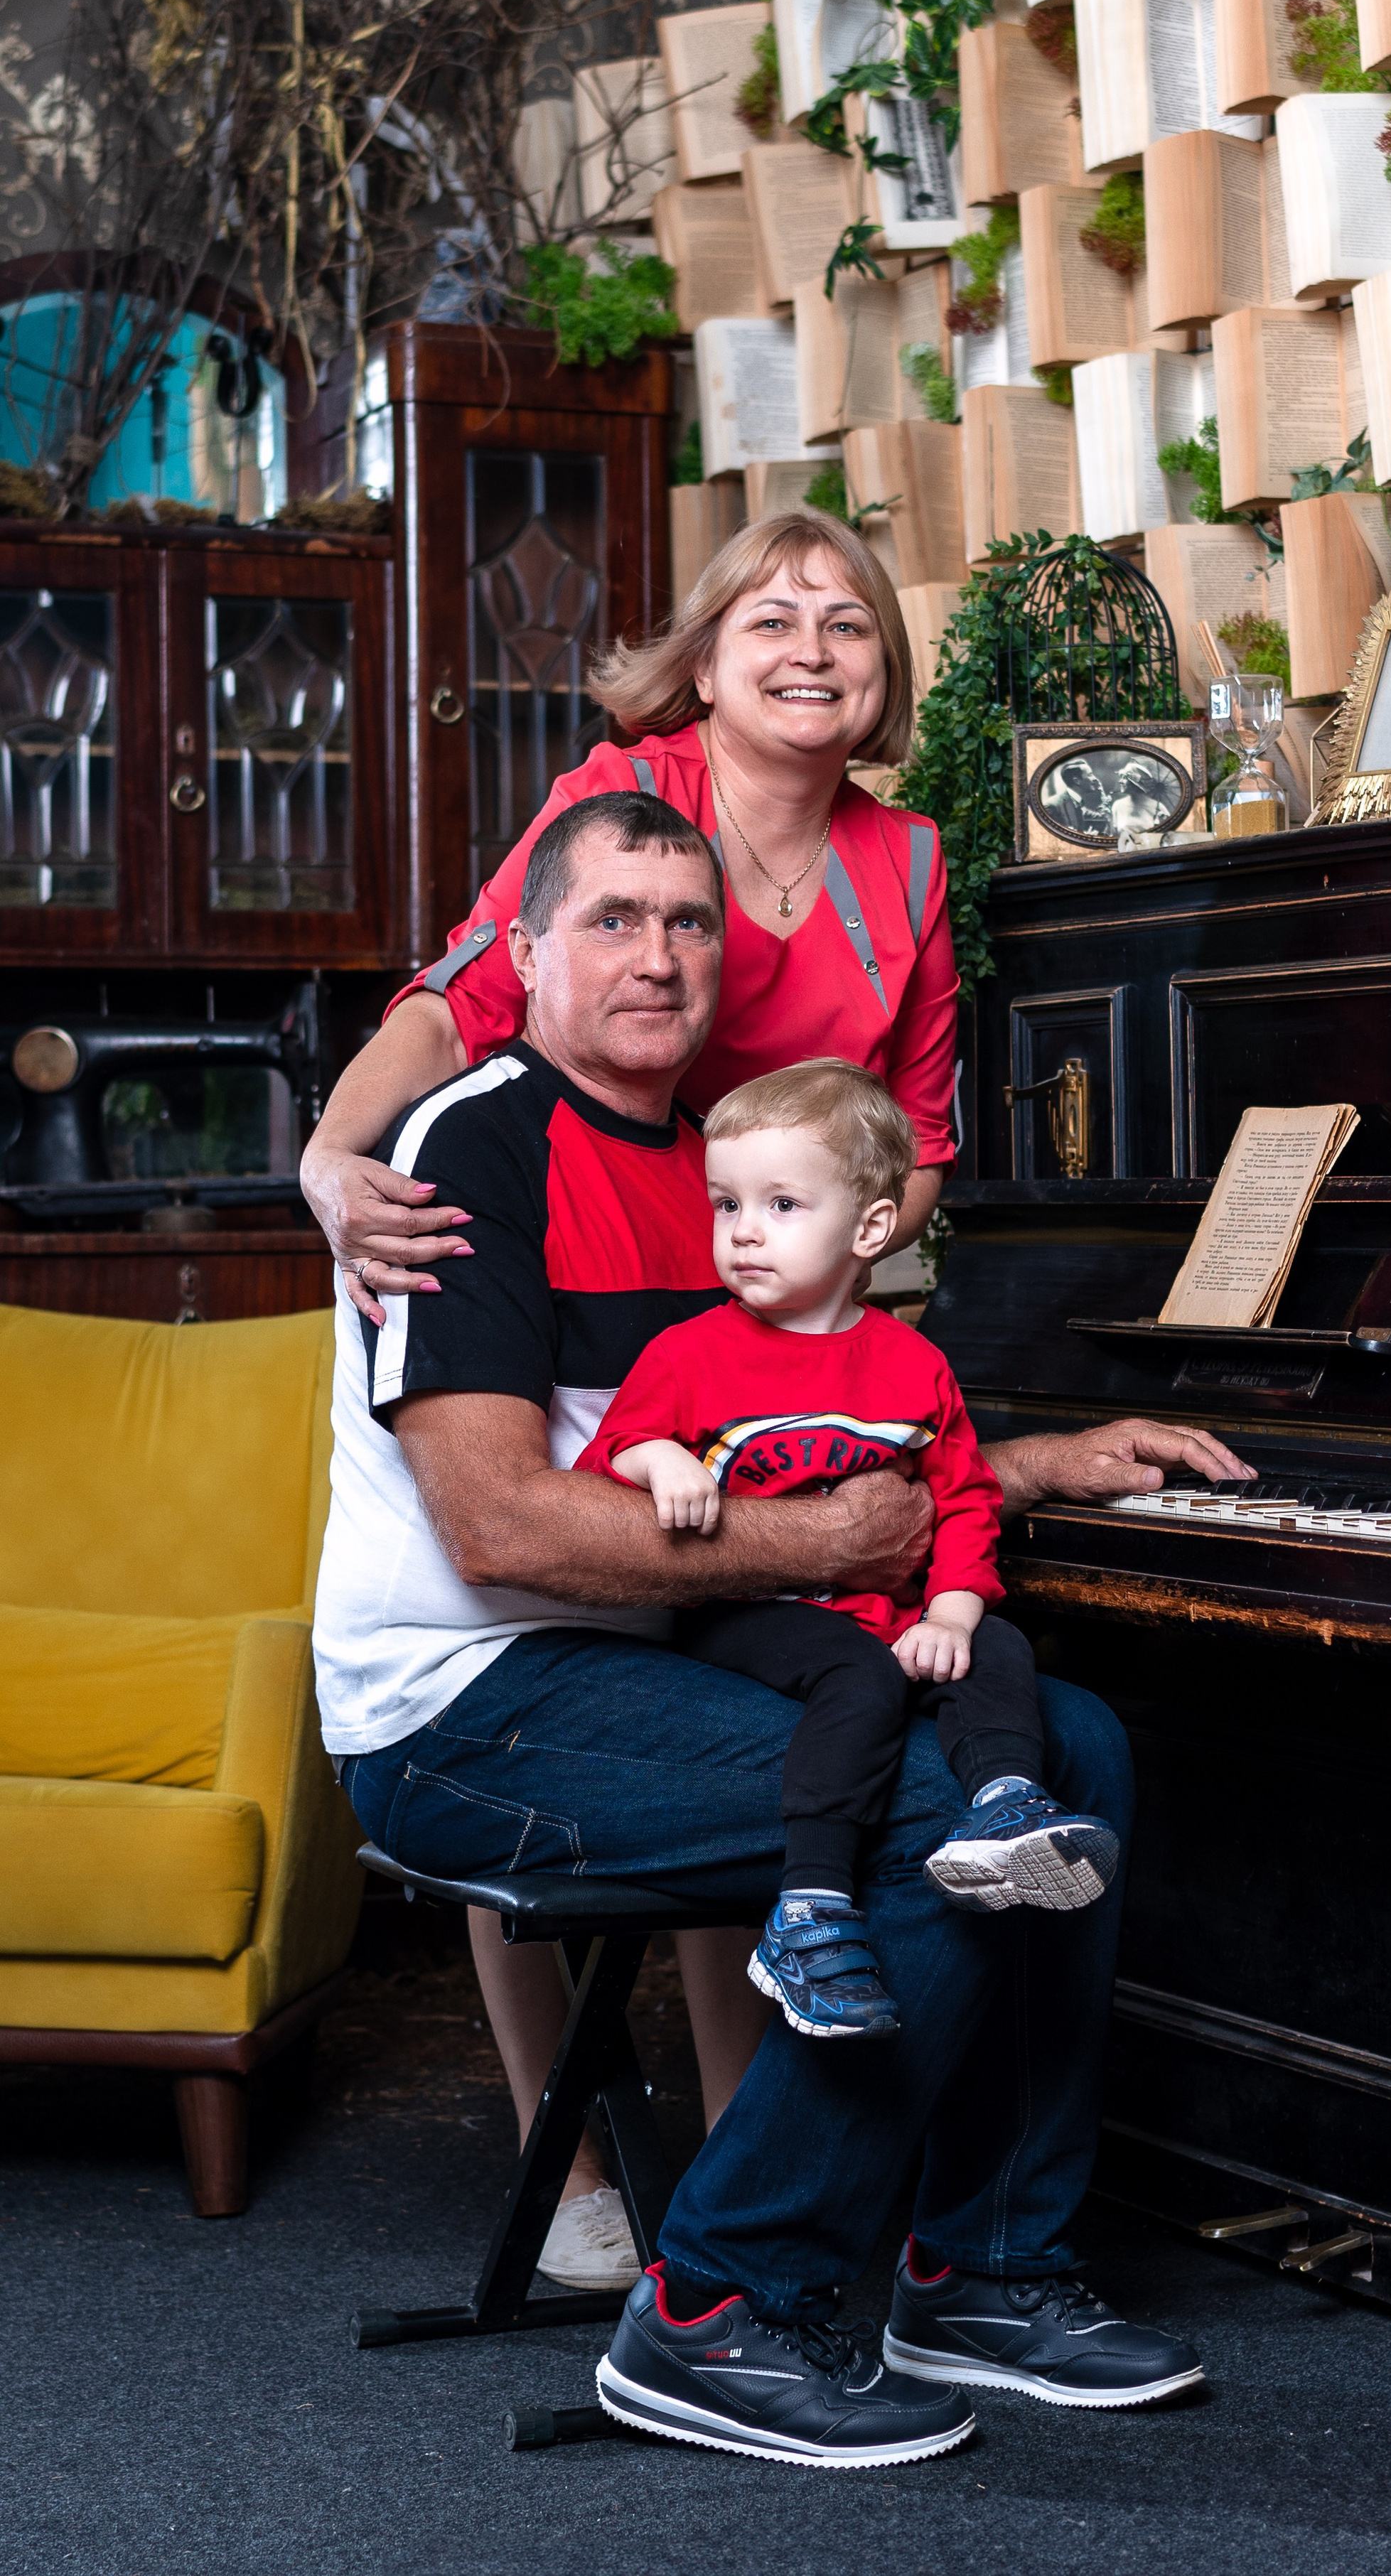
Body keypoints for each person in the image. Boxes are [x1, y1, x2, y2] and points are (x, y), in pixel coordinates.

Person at [316, 789, 1254, 2464]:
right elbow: (498, 1519)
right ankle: (714, 2303)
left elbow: (815, 1429)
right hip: (463, 1708)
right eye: (611, 919)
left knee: (1069, 1748)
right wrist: (823, 1537)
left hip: (652, 1655)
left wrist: (1020, 1467)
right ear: (523, 955)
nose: (659, 955)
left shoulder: (727, 1164)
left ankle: (979, 2263)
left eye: (688, 923)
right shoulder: (470, 1144)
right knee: (922, 1801)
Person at [301, 512, 960, 2283]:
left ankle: (752, 2187)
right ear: (706, 645)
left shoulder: (903, 861)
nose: (811, 647)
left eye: (847, 622)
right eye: (771, 616)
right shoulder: (627, 795)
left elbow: (913, 1133)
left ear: (886, 665)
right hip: (573, 1207)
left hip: (751, 1261)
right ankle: (581, 2157)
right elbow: (467, 996)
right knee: (554, 1597)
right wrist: (330, 1156)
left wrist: (848, 1328)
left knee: (772, 1696)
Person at [584, 1057, 1119, 2042]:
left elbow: (962, 1499)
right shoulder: (691, 1352)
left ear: (870, 1228)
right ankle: (810, 1908)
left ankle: (1003, 1808)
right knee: (862, 1679)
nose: (743, 1228)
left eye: (781, 1202)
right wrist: (664, 1462)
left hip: (891, 1614)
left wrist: (955, 1607)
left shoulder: (914, 1364)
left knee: (999, 1647)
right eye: (726, 1202)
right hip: (752, 1618)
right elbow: (612, 1449)